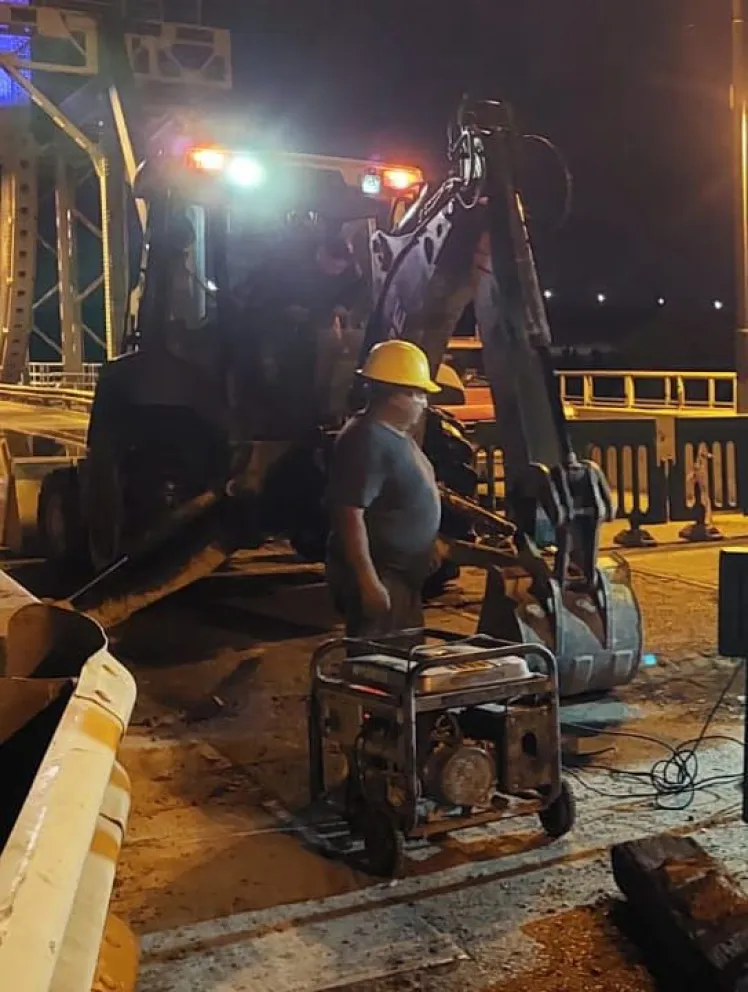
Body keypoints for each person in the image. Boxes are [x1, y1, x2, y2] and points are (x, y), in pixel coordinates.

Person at [326, 339, 442, 640]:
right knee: (379, 668)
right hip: (384, 575)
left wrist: (430, 542)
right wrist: (368, 583)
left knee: (404, 659)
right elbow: (348, 514)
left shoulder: (392, 434)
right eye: (418, 394)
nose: (424, 403)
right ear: (394, 395)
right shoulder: (366, 440)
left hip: (402, 576)